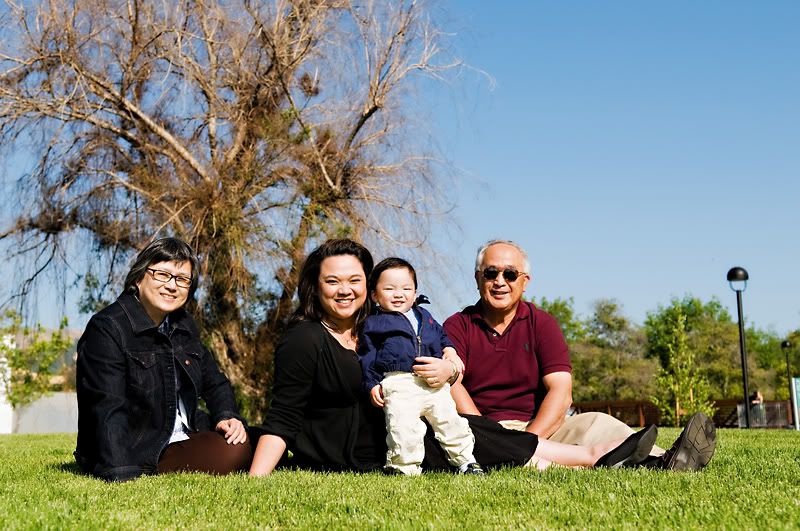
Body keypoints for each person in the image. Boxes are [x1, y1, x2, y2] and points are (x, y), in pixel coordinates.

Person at [249, 239, 667, 477]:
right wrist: (256, 481)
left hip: (392, 431)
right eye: (333, 281)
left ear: (370, 286)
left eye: (355, 280)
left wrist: (448, 365)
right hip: (354, 449)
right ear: (315, 286)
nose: (345, 290)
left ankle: (647, 457)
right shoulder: (305, 339)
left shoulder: (376, 328)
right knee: (478, 435)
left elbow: (434, 359)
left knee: (479, 437)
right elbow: (284, 417)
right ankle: (599, 458)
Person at [444, 239, 716, 471]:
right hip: (480, 428)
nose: (500, 282)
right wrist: (492, 435)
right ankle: (641, 464)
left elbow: (561, 392)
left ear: (525, 282)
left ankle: (666, 460)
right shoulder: (457, 325)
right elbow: (452, 384)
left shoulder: (542, 324)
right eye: (491, 273)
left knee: (598, 423)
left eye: (510, 274)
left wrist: (527, 441)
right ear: (478, 278)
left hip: (538, 427)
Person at [75, 237, 251, 482]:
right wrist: (120, 473)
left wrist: (226, 415)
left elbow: (215, 381)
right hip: (141, 445)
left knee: (266, 440)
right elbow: (106, 406)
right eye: (162, 274)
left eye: (182, 279)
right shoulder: (108, 327)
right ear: (138, 278)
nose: (172, 286)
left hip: (186, 432)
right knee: (236, 452)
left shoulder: (183, 324)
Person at [360, 257, 483, 475]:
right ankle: (403, 467)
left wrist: (450, 351)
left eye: (406, 288)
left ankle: (466, 461)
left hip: (432, 382)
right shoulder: (374, 323)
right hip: (398, 383)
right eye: (389, 288)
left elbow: (442, 337)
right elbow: (368, 356)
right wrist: (371, 383)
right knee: (402, 426)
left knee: (450, 420)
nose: (399, 294)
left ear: (415, 293)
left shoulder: (425, 316)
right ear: (374, 295)